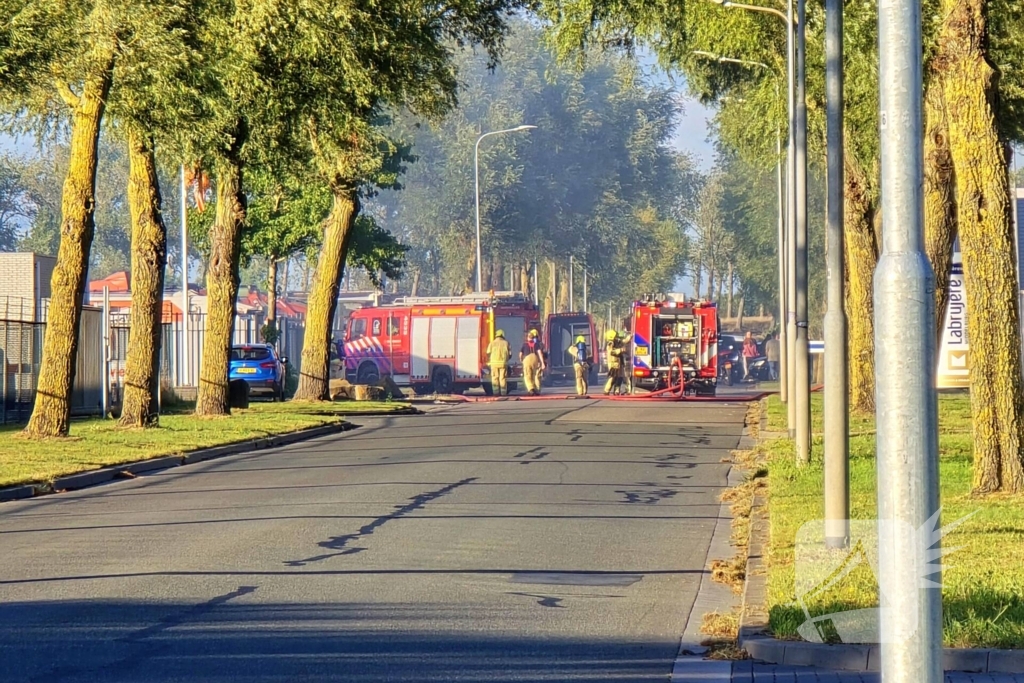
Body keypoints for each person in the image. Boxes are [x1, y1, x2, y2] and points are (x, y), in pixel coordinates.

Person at [520, 329, 546, 395]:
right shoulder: (538, 344)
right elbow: (540, 353)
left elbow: (520, 354)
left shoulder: (525, 345)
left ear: (528, 337)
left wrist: (521, 360)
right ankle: (537, 390)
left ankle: (531, 389)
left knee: (527, 376)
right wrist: (543, 363)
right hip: (536, 361)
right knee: (536, 376)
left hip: (527, 360)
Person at [486, 329, 512, 396]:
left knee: (495, 377)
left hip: (494, 363)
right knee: (502, 378)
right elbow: (510, 354)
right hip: (503, 363)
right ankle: (503, 393)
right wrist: (506, 359)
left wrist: (491, 359)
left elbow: (488, 353)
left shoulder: (492, 343)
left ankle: (496, 393)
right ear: (502, 335)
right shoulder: (506, 343)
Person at [604, 329, 626, 395]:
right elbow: (612, 352)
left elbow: (623, 341)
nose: (617, 337)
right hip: (613, 363)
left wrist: (630, 337)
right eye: (615, 336)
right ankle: (606, 390)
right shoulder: (610, 344)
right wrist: (620, 350)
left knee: (619, 377)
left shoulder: (615, 343)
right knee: (613, 377)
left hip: (618, 363)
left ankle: (617, 391)